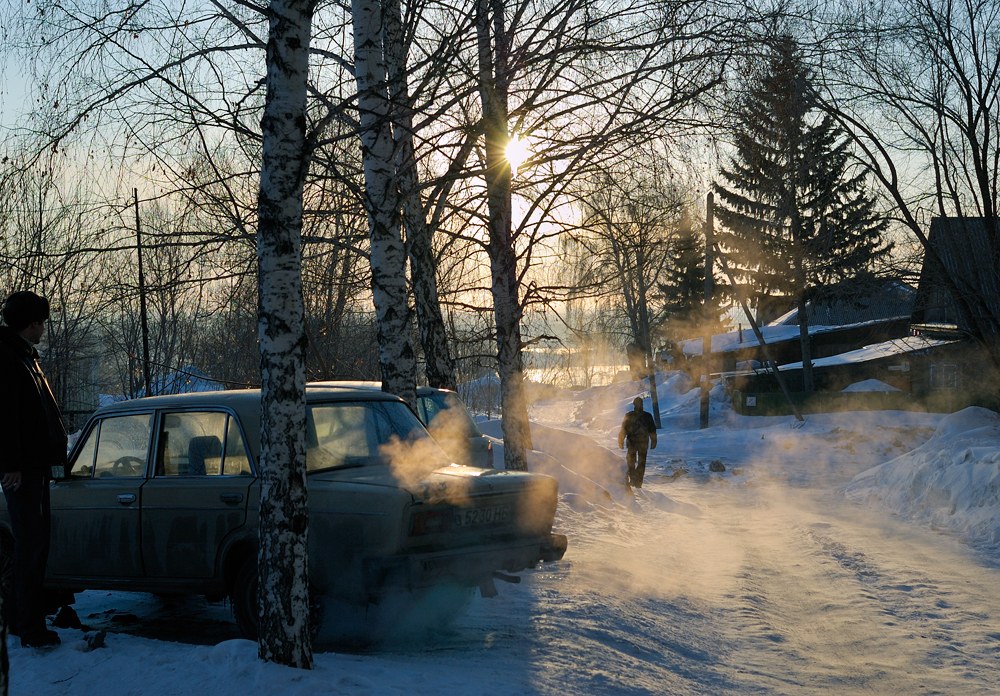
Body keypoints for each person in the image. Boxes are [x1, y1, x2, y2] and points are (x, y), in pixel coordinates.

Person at [0, 291, 69, 647]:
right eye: (41, 321)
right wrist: (10, 463)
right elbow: (6, 415)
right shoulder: (9, 358)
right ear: (30, 324)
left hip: (33, 465)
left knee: (35, 543)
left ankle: (19, 619)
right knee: (31, 544)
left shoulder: (24, 355)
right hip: (23, 468)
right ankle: (29, 626)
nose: (44, 327)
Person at [618, 396, 657, 488]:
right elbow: (652, 430)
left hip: (633, 443)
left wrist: (621, 440)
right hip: (641, 443)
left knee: (633, 462)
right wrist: (654, 440)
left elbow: (624, 429)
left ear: (634, 404)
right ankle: (637, 482)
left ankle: (634, 480)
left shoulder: (630, 415)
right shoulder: (647, 416)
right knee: (640, 462)